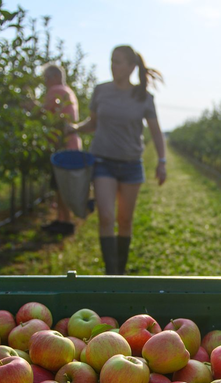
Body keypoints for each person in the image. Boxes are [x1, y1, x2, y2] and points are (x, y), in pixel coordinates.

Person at [68, 45, 166, 274]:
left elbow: (155, 131)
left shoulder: (143, 97)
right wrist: (74, 128)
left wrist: (162, 161)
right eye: (112, 61)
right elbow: (91, 123)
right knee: (106, 216)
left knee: (124, 220)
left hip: (131, 164)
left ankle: (120, 272)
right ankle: (111, 273)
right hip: (103, 161)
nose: (113, 66)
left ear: (132, 67)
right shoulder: (101, 90)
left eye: (118, 62)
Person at [37, 63, 83, 236]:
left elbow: (44, 113)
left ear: (55, 77)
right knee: (59, 186)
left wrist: (31, 107)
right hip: (70, 144)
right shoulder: (67, 91)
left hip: (63, 146)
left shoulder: (56, 90)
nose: (45, 83)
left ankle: (66, 222)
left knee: (61, 186)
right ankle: (62, 219)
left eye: (46, 79)